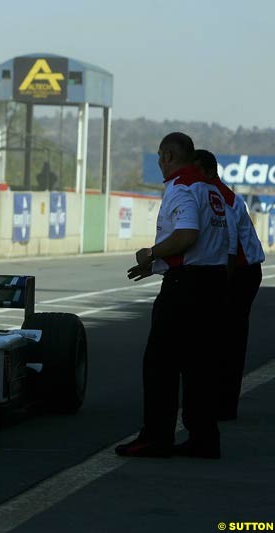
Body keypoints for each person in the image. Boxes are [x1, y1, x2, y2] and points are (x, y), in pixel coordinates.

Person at [117, 132, 230, 459]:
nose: (159, 163)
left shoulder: (181, 189)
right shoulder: (211, 190)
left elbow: (187, 236)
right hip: (212, 283)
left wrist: (150, 254)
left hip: (186, 288)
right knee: (200, 367)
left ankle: (156, 437)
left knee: (160, 364)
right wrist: (156, 267)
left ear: (168, 156)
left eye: (160, 157)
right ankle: (204, 438)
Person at [195, 149, 265, 421]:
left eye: (198, 171)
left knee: (230, 339)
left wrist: (220, 286)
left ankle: (224, 404)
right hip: (234, 269)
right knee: (221, 338)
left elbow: (230, 246)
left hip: (241, 272)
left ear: (211, 172)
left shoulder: (223, 198)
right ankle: (219, 399)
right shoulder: (209, 194)